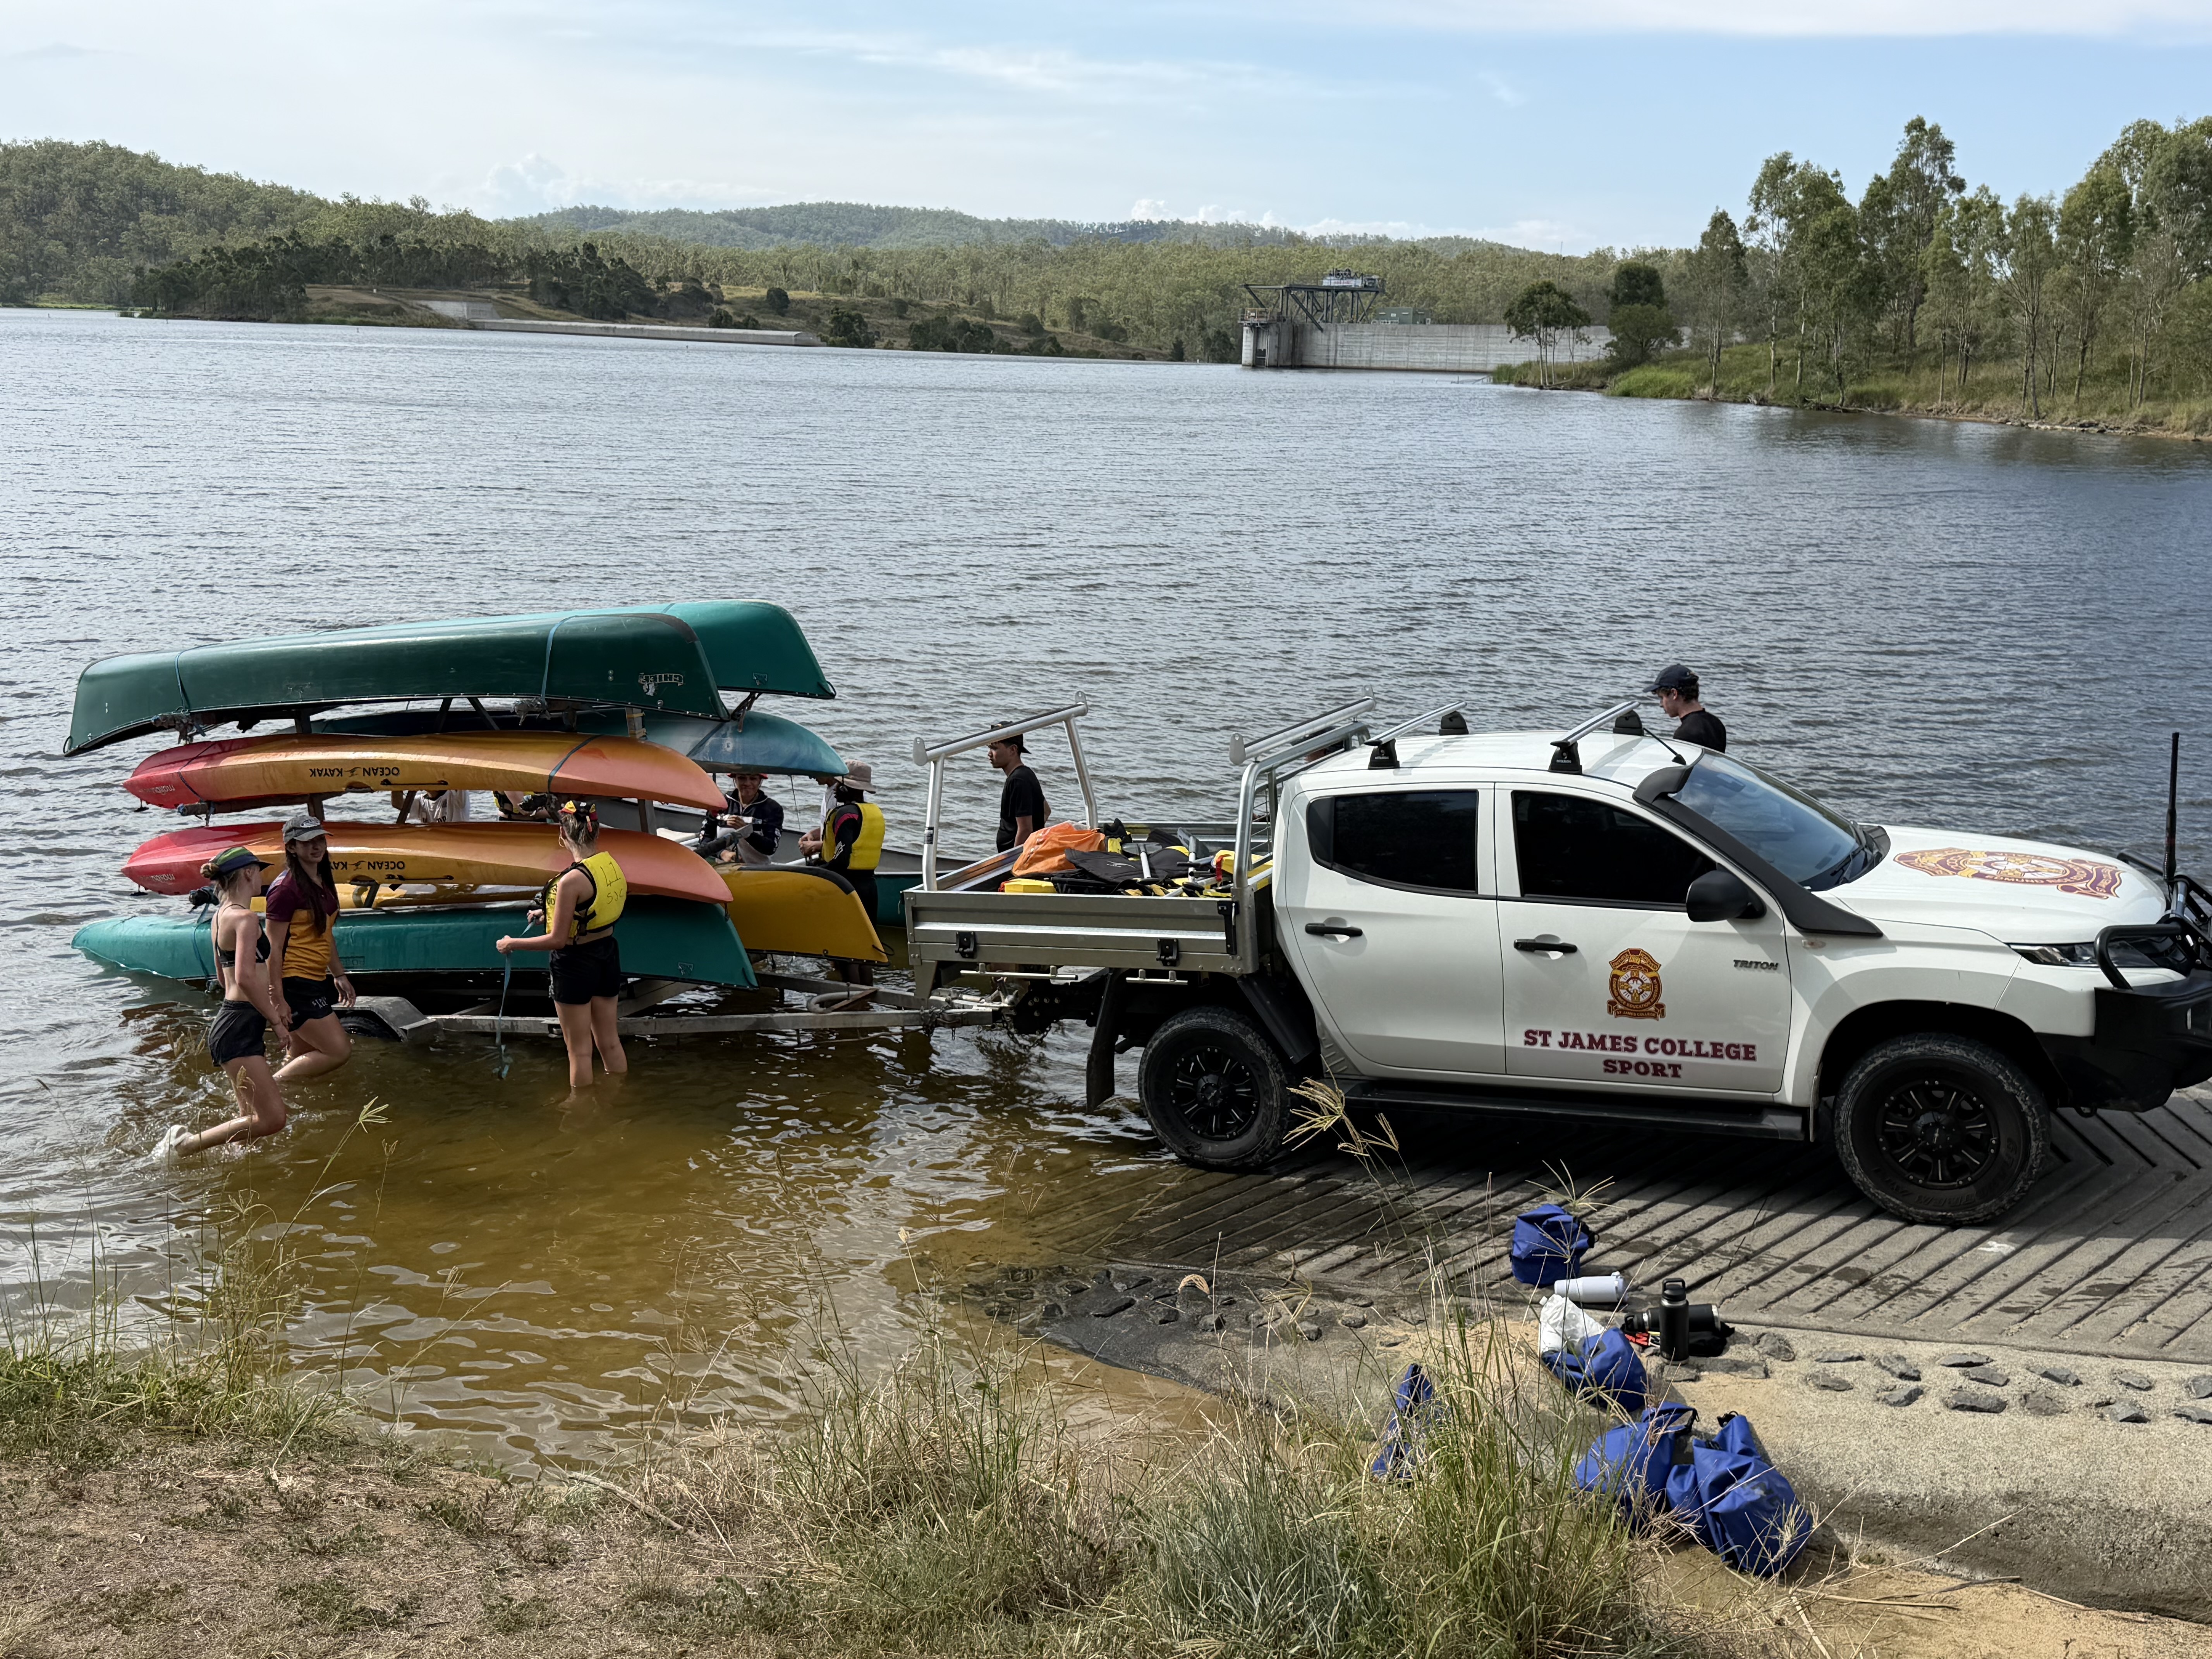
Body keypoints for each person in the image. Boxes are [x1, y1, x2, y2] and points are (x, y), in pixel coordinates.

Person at [153, 847, 293, 1161]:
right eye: (259, 871)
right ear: (248, 874)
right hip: (240, 1025)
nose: (262, 877)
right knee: (273, 1119)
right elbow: (244, 977)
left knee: (249, 1121)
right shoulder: (245, 919)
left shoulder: (220, 917)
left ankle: (244, 1174)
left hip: (231, 1021)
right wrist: (275, 1020)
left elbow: (222, 975)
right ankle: (185, 1145)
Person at [495, 800, 629, 1090]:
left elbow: (557, 940)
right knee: (610, 1041)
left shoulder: (570, 881)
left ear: (562, 834)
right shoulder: (610, 865)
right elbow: (594, 904)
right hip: (607, 953)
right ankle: (619, 1103)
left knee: (580, 1051)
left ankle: (581, 1116)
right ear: (596, 833)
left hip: (575, 963)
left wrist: (512, 944)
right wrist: (549, 912)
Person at [265, 811, 355, 1084]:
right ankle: (267, 1093)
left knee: (301, 1055)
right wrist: (278, 999)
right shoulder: (285, 890)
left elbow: (325, 934)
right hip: (295, 982)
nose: (316, 846)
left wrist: (338, 974)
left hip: (316, 978)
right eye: (306, 842)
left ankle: (287, 1106)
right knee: (339, 1051)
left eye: (320, 840)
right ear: (291, 847)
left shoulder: (322, 882)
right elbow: (274, 948)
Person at [800, 763, 884, 995]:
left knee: (846, 951)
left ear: (847, 787)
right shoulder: (872, 813)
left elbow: (842, 857)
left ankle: (852, 1001)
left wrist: (819, 869)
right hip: (869, 885)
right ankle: (869, 997)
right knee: (866, 948)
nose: (835, 789)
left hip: (846, 887)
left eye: (840, 784)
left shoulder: (844, 814)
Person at [695, 769, 783, 867]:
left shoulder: (772, 809)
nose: (747, 783)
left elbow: (771, 848)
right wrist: (723, 854)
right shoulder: (720, 803)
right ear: (735, 779)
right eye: (742, 778)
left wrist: (747, 833)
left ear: (760, 781)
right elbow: (704, 840)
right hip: (721, 868)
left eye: (753, 779)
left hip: (756, 870)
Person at [1646, 663, 1726, 752]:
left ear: (1674, 694)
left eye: (1662, 698)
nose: (1661, 704)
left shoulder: (1685, 733)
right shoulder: (1716, 723)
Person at [989, 734, 1049, 854]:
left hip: (1014, 861)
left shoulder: (1018, 780)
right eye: (989, 748)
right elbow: (1046, 810)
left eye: (994, 748)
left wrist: (1015, 862)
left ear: (1013, 750)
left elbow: (1026, 830)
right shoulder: (1025, 774)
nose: (989, 754)